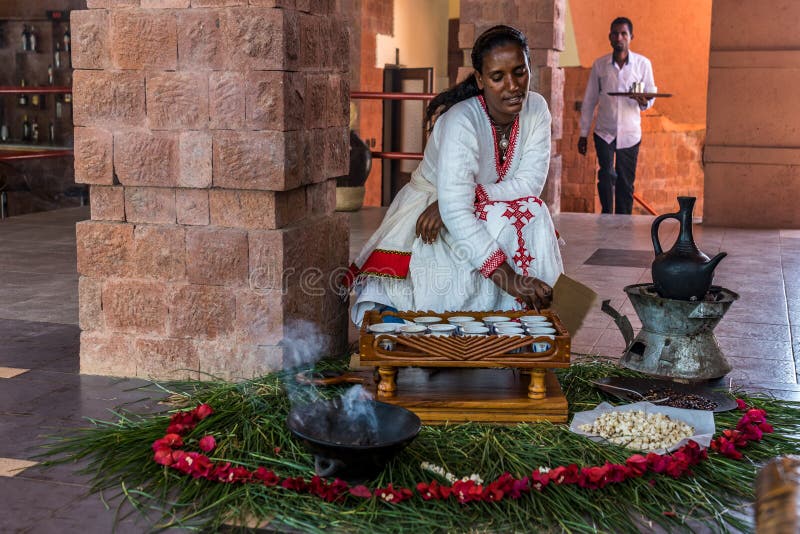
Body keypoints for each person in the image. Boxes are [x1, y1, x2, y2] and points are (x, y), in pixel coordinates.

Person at [344, 25, 563, 326]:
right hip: (430, 208)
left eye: (519, 72)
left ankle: (527, 320)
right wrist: (511, 280)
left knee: (533, 211)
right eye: (498, 77)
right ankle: (446, 323)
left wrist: (469, 197)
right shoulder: (462, 120)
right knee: (436, 275)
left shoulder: (536, 108)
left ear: (528, 67)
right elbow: (456, 211)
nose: (512, 86)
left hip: (467, 203)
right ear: (481, 79)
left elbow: (529, 186)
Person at [577, 17, 657, 214]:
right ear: (609, 37)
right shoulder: (600, 65)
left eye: (624, 34)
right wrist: (583, 133)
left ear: (631, 37)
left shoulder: (643, 64)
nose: (619, 37)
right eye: (615, 33)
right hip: (605, 131)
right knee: (606, 175)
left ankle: (623, 222)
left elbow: (649, 97)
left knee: (625, 182)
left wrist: (642, 100)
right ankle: (606, 215)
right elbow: (589, 100)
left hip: (630, 134)